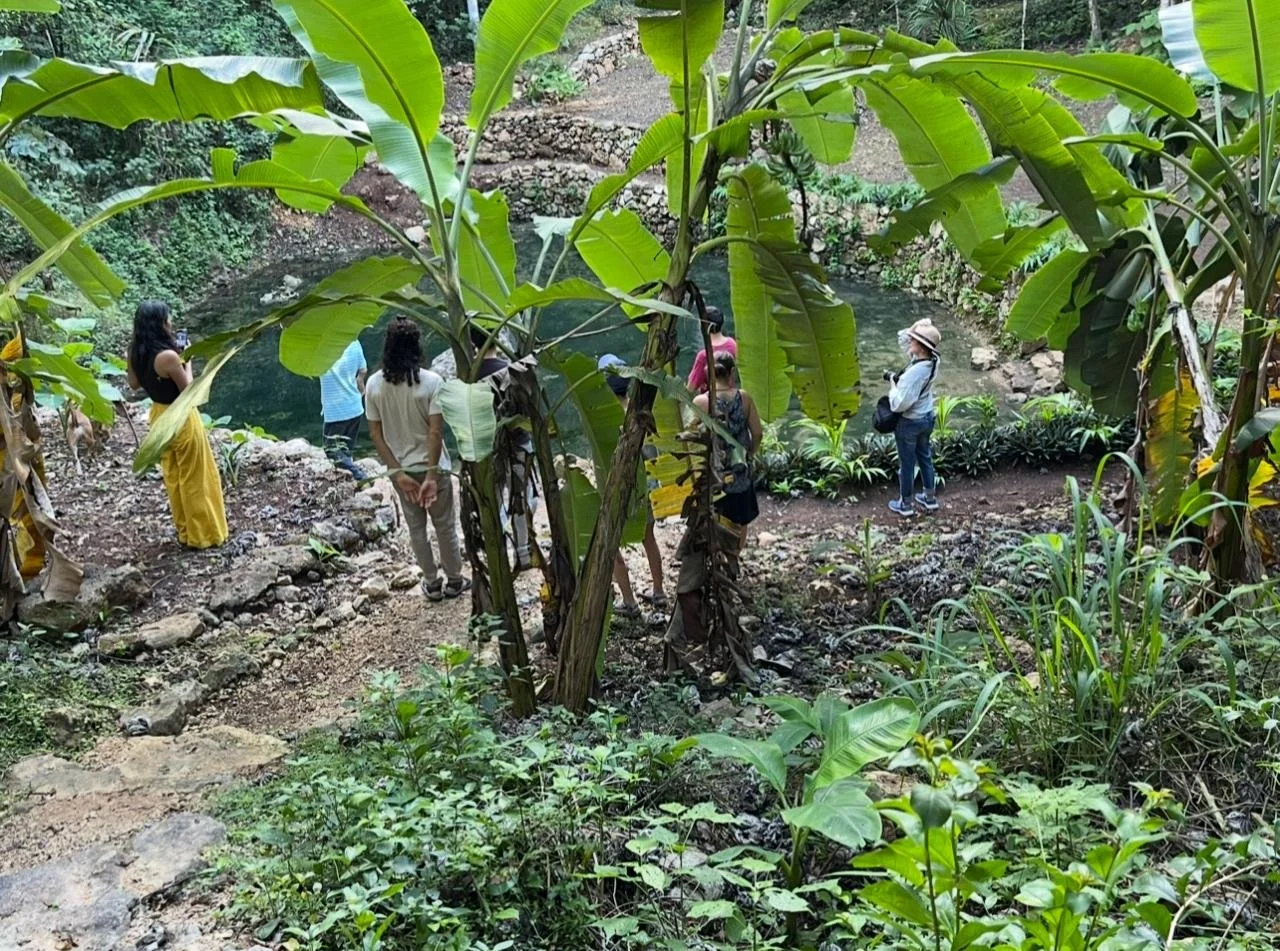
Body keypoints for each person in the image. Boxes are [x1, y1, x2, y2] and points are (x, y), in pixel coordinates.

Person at [365, 317, 470, 601]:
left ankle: (432, 583)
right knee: (445, 526)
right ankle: (455, 580)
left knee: (417, 529)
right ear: (416, 346)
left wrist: (396, 472)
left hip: (403, 472)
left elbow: (376, 434)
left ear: (387, 347)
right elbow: (436, 432)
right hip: (433, 467)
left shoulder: (374, 386)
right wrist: (433, 476)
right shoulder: (432, 382)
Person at [127, 300, 228, 549]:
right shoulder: (168, 357)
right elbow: (189, 391)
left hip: (158, 417)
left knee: (173, 476)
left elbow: (133, 385)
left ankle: (184, 531)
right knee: (195, 477)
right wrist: (188, 360)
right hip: (180, 417)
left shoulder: (134, 351)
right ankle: (202, 536)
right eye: (167, 318)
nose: (170, 323)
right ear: (159, 324)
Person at [598, 354, 665, 618]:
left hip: (621, 492)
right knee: (649, 538)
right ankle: (658, 590)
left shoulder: (608, 420)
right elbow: (654, 455)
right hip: (646, 488)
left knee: (611, 544)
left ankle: (629, 601)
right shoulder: (640, 414)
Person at [469, 323, 536, 570]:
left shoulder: (470, 375)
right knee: (521, 496)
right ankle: (524, 552)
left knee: (494, 499)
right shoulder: (512, 370)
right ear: (498, 338)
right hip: (518, 442)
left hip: (487, 449)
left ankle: (499, 553)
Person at [693, 352, 762, 532]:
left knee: (715, 518)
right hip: (740, 473)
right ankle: (735, 555)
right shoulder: (744, 398)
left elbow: (690, 437)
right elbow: (757, 433)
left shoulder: (701, 402)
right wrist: (750, 453)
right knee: (740, 522)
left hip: (713, 476)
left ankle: (719, 554)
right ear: (731, 372)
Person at [886, 318, 941, 518]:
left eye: (914, 339)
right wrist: (917, 326)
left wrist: (893, 387)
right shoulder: (933, 361)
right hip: (927, 417)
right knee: (925, 457)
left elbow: (899, 404)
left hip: (910, 422)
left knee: (907, 464)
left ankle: (905, 504)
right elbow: (903, 339)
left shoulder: (914, 373)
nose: (909, 340)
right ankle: (930, 499)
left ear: (920, 345)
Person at [319, 338, 368, 481]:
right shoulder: (354, 342)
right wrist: (360, 384)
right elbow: (363, 369)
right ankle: (349, 479)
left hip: (336, 411)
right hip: (355, 407)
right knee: (345, 448)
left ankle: (358, 474)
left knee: (331, 450)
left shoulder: (322, 350)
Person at [686, 306, 737, 394]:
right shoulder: (732, 344)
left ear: (703, 326)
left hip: (709, 402)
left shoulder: (704, 355)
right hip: (731, 396)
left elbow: (690, 388)